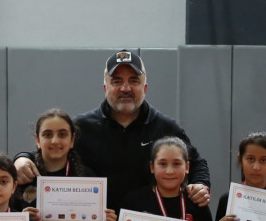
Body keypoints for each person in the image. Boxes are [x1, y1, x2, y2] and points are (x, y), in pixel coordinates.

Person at [13, 50, 211, 211]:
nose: (125, 88)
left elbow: (196, 161)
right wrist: (21, 159)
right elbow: (51, 151)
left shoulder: (165, 127)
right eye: (116, 81)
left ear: (145, 87)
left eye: (134, 80)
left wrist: (201, 184)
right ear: (105, 87)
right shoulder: (83, 126)